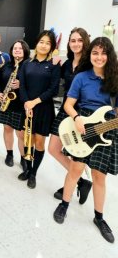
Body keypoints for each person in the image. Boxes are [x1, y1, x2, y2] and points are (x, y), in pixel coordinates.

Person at [53, 37, 118, 244]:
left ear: (110, 55)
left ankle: (99, 217)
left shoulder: (116, 79)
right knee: (75, 170)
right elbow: (69, 104)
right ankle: (64, 203)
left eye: (103, 53)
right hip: (81, 126)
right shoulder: (81, 77)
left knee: (100, 177)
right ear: (90, 55)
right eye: (95, 53)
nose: (99, 57)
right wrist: (77, 117)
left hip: (107, 129)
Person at [48, 28, 92, 202]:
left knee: (76, 153)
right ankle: (81, 181)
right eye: (73, 40)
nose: (76, 44)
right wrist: (54, 64)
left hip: (82, 113)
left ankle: (72, 183)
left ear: (85, 42)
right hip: (65, 109)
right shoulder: (67, 63)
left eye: (79, 40)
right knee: (53, 148)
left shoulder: (89, 64)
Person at [17, 30, 61, 189]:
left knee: (39, 142)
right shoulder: (27, 63)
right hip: (27, 107)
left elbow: (53, 90)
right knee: (27, 138)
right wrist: (26, 103)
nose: (44, 45)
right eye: (41, 42)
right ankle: (27, 169)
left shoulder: (54, 65)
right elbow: (22, 86)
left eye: (48, 43)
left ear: (52, 47)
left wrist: (34, 102)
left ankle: (34, 173)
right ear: (37, 43)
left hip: (43, 108)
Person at [0, 40, 30, 167]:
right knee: (7, 128)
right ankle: (9, 154)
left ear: (25, 50)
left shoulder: (29, 65)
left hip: (20, 103)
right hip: (6, 102)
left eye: (20, 48)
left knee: (20, 133)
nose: (17, 50)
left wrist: (22, 84)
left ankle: (23, 158)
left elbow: (35, 84)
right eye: (15, 48)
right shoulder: (6, 65)